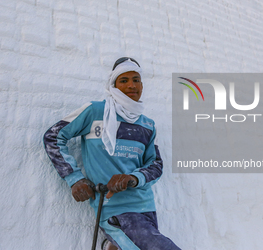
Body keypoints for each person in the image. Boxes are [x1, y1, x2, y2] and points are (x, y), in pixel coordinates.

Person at [43, 57, 181, 250]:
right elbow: (54, 136)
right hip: (115, 209)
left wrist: (133, 177)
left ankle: (113, 246)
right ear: (113, 85)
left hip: (146, 208)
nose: (131, 85)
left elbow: (156, 165)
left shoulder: (147, 124)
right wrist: (74, 178)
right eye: (123, 80)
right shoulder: (95, 111)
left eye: (136, 79)